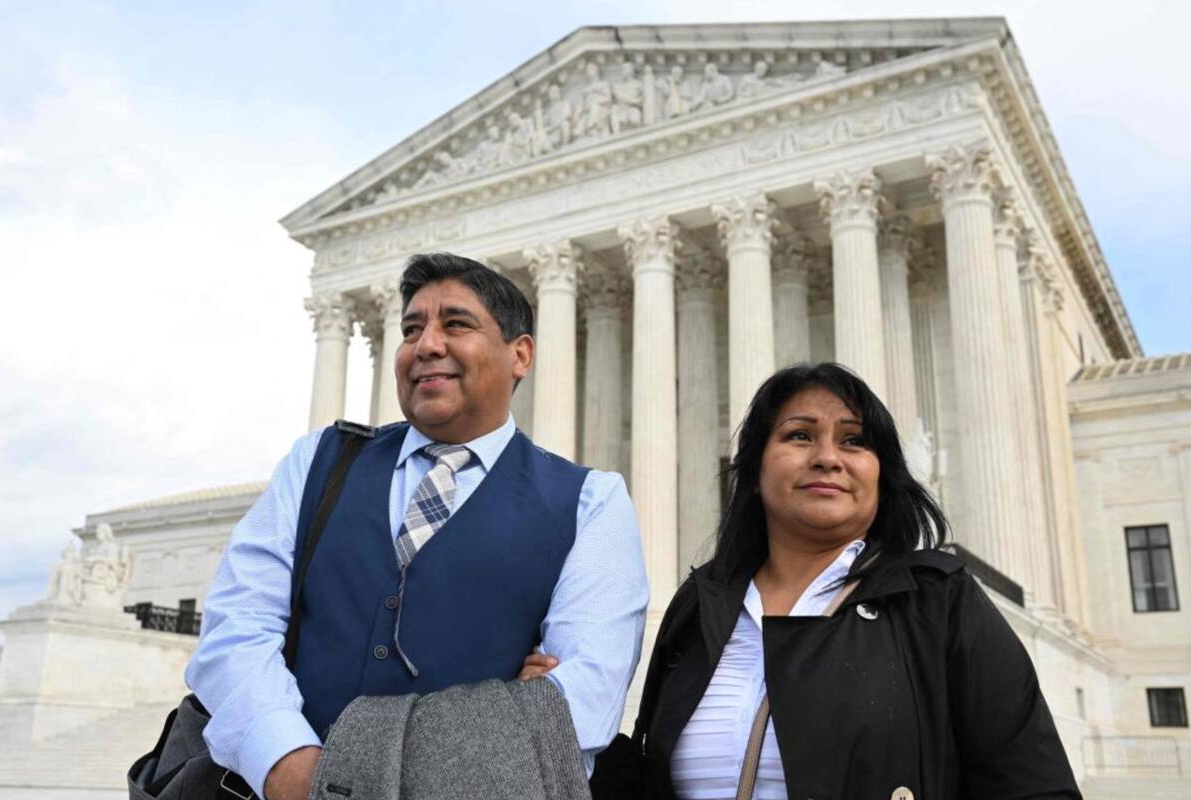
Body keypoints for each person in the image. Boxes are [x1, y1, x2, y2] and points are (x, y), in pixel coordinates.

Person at [187, 253, 649, 800]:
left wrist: (351, 782)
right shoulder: (319, 461)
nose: (426, 344)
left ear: (520, 354)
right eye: (412, 328)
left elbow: (580, 705)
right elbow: (236, 627)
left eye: (456, 324)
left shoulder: (590, 502)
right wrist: (288, 764)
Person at [525, 363, 1080, 799]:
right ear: (756, 466)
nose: (828, 458)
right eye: (799, 435)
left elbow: (1031, 783)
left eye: (855, 441)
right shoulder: (702, 607)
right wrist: (554, 716)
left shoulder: (937, 602)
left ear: (882, 473)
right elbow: (652, 784)